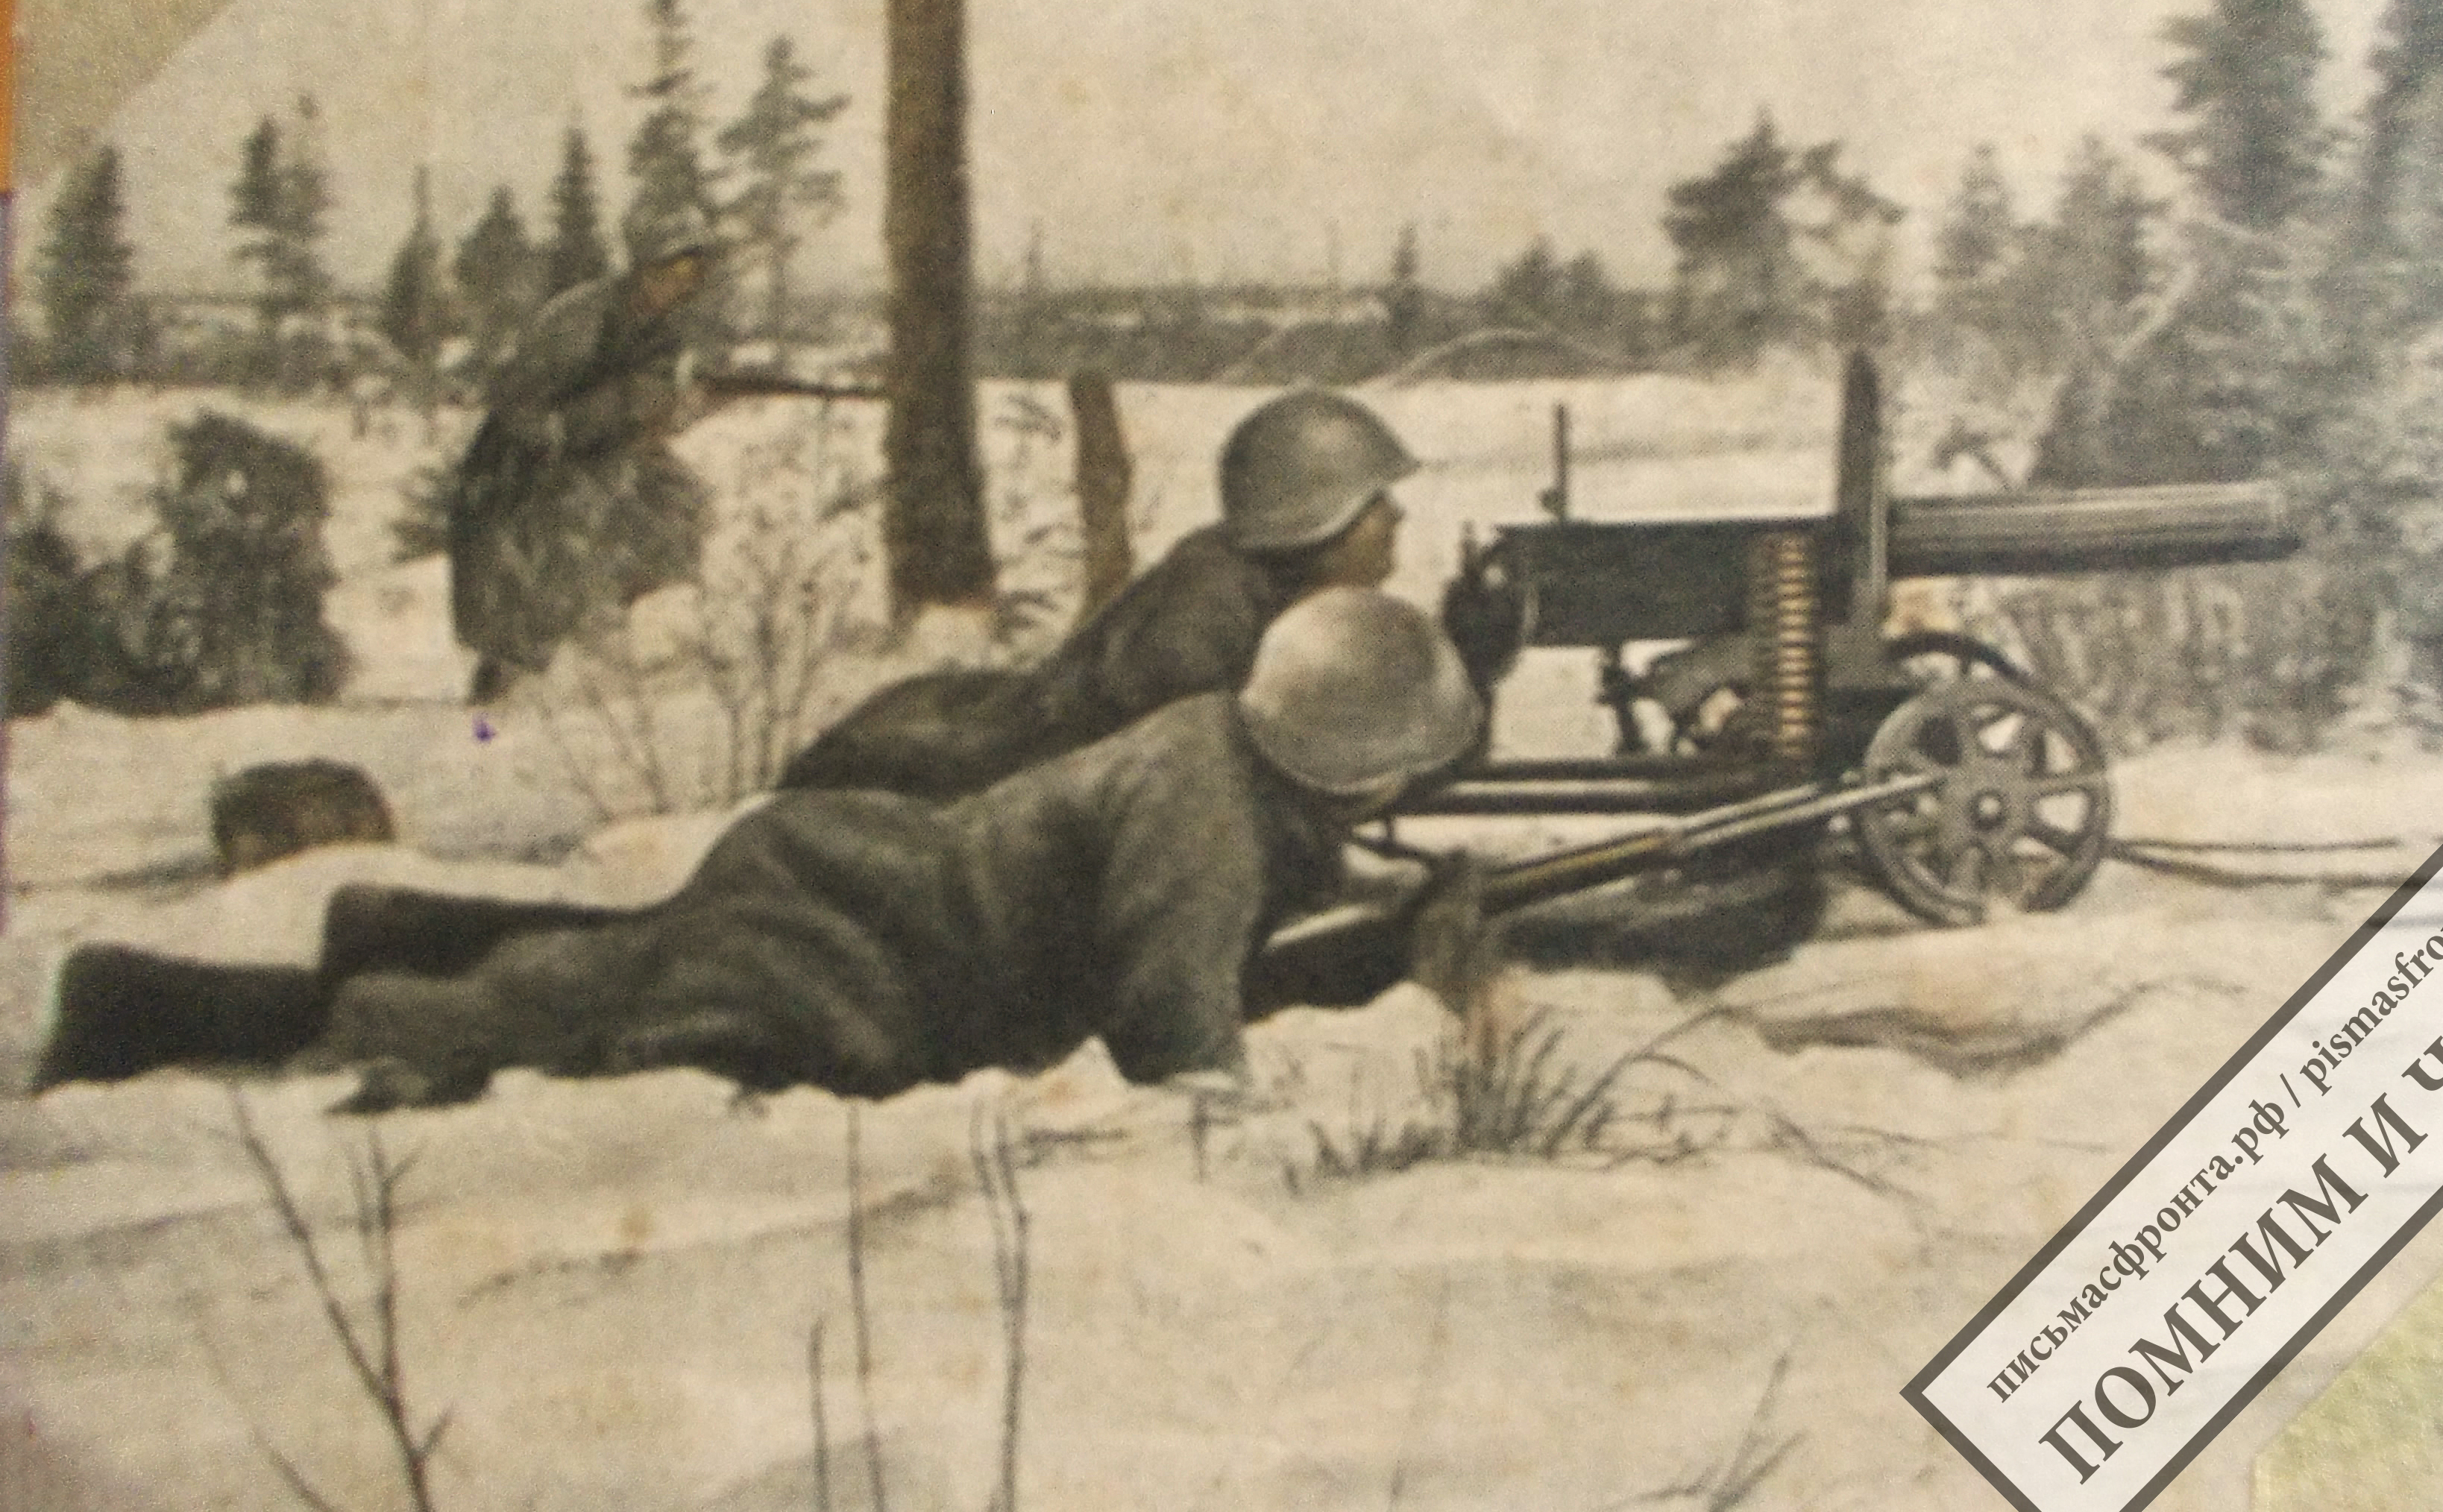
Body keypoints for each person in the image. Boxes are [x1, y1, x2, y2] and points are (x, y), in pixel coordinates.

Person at [34, 591, 1487, 1111]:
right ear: (1346, 754)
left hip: (852, 885)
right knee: (542, 1021)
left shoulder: (1218, 747)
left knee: (605, 964)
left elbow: (1227, 895)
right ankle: (157, 1008)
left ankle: (376, 924)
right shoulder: (1206, 811)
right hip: (850, 954)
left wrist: (1380, 909)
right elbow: (1172, 1015)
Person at [776, 387, 1417, 796]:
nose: (1396, 516)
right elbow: (1211, 785)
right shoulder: (1203, 618)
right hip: (933, 780)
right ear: (1316, 518)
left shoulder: (1280, 592)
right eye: (1373, 501)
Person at [450, 212, 720, 705]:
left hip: (596, 449)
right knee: (568, 529)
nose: (684, 284)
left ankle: (636, 627)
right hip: (519, 459)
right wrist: (610, 412)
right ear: (645, 268)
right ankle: (512, 672)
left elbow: (645, 408)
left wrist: (665, 412)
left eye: (694, 273)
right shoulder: (580, 318)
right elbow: (518, 406)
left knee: (682, 501)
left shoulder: (660, 331)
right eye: (675, 269)